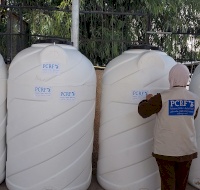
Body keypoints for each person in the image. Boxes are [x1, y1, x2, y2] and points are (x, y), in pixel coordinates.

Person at [138, 63, 200, 190]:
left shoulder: (162, 98)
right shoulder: (195, 99)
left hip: (166, 151)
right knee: (181, 185)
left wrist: (147, 100)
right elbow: (191, 118)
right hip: (187, 150)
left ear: (171, 78)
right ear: (187, 78)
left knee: (168, 184)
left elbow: (143, 112)